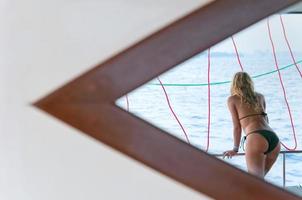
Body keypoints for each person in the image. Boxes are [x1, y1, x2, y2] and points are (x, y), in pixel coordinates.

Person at [223, 72, 280, 178]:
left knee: (254, 181)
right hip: (274, 139)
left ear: (234, 84)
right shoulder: (260, 97)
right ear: (250, 83)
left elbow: (237, 127)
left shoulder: (233, 100)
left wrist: (235, 149)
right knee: (260, 179)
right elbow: (265, 119)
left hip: (256, 137)